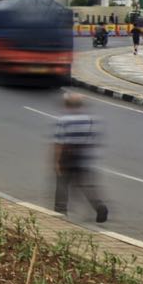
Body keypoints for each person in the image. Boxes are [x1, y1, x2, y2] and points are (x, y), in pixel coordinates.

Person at [54, 92, 108, 222]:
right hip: (83, 157)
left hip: (67, 157)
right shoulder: (90, 119)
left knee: (62, 183)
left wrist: (56, 161)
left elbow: (59, 143)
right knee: (86, 185)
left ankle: (60, 212)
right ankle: (99, 205)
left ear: (67, 105)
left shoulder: (64, 120)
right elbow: (95, 139)